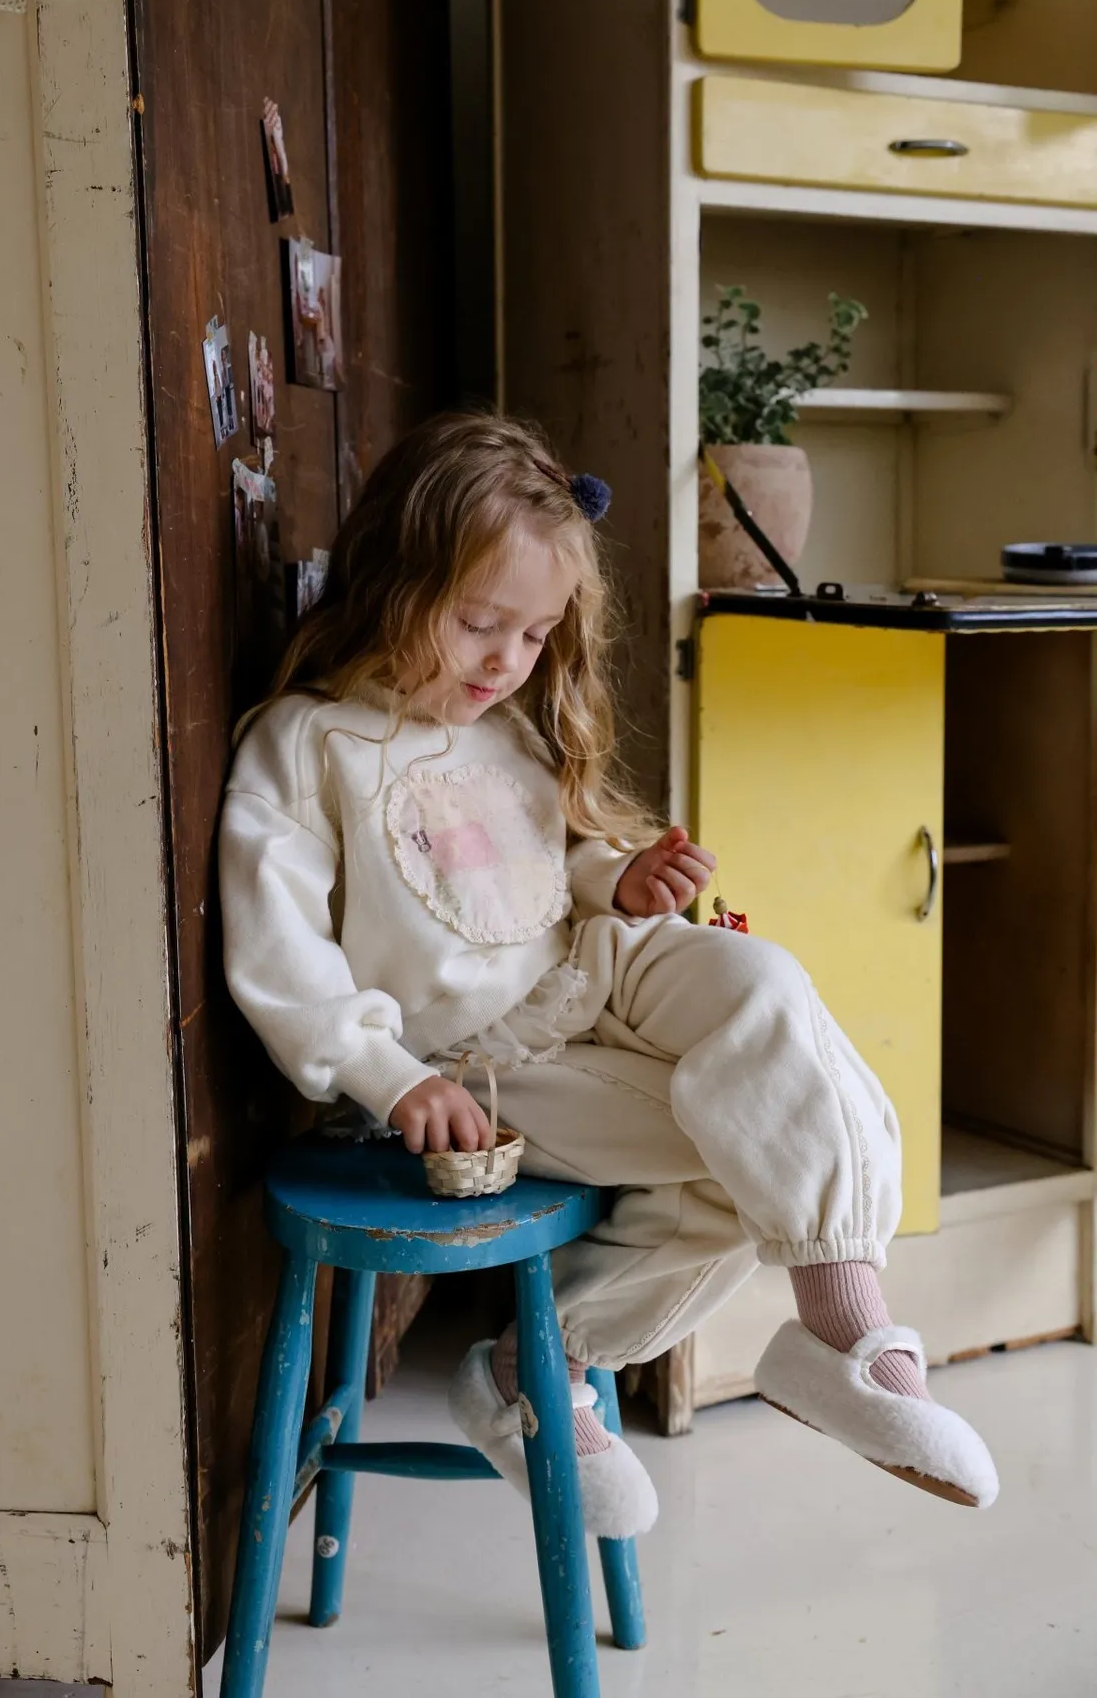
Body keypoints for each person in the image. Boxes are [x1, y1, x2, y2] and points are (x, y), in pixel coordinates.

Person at [219, 412, 998, 1538]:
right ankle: (546, 1368)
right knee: (742, 1140)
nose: (508, 662)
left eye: (535, 636)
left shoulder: (508, 731)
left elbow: (531, 863)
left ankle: (845, 1326)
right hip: (482, 1062)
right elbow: (282, 958)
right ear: (393, 582)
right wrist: (393, 1079)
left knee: (765, 983)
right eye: (480, 623)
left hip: (600, 967)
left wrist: (616, 880)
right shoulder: (306, 744)